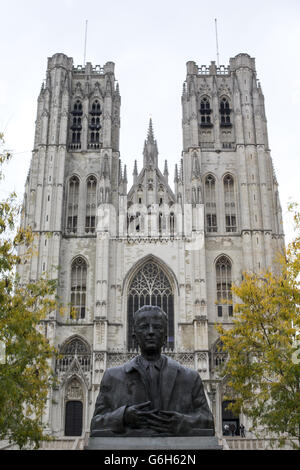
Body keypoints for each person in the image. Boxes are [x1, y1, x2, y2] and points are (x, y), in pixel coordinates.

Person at [90, 305, 214, 436]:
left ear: (166, 335)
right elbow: (96, 424)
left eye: (157, 327)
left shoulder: (190, 378)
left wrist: (181, 422)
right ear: (134, 335)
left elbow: (208, 421)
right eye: (144, 327)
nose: (150, 332)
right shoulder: (112, 377)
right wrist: (123, 416)